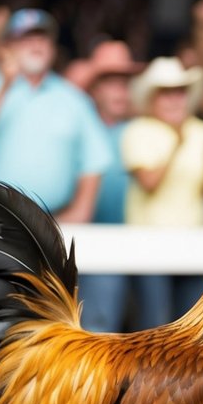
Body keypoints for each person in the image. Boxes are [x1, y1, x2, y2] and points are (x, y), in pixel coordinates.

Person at [0, 8, 112, 225]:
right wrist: (5, 86)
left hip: (53, 226)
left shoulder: (74, 99)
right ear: (6, 46)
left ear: (53, 47)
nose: (36, 45)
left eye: (43, 38)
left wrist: (77, 215)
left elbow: (93, 162)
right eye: (25, 38)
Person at [122, 56, 203, 327]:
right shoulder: (138, 131)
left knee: (191, 327)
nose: (174, 100)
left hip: (194, 243)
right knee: (154, 322)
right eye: (166, 93)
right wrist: (177, 143)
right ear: (152, 99)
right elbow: (149, 182)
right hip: (148, 245)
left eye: (179, 92)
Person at [69, 41, 144, 333]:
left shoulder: (142, 128)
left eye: (125, 84)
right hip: (80, 240)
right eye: (110, 83)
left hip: (132, 242)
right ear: (94, 90)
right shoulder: (78, 126)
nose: (120, 92)